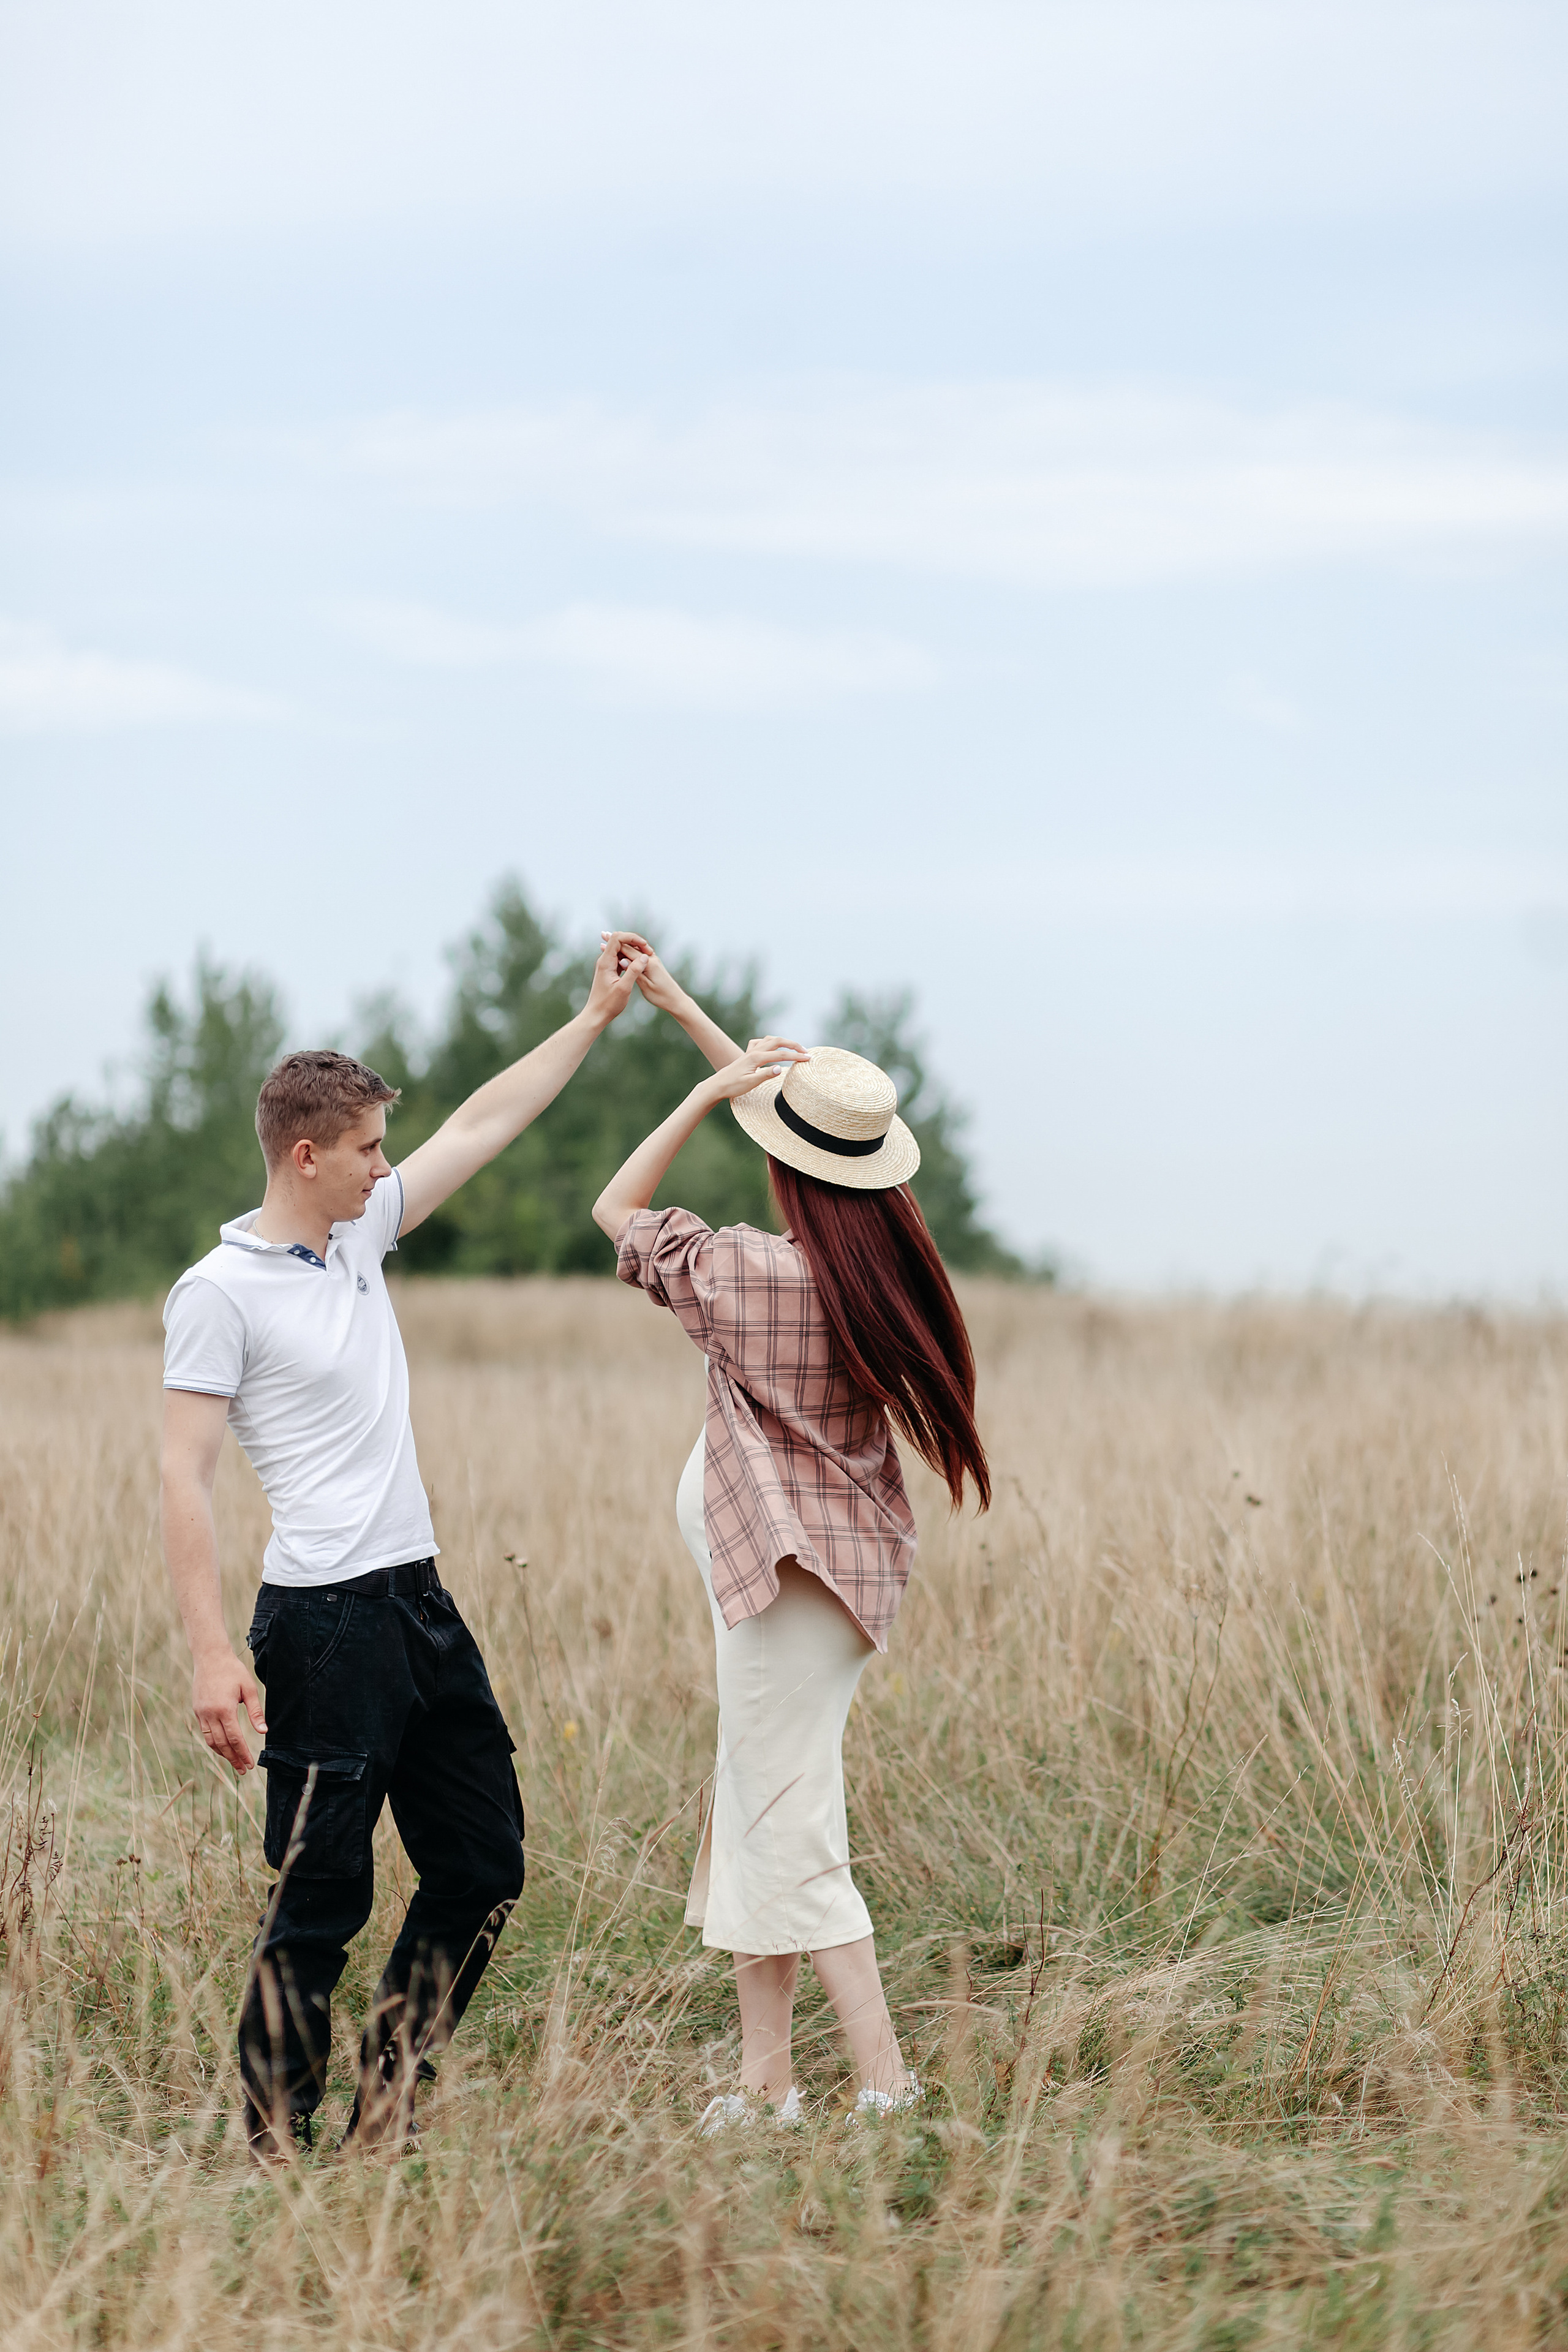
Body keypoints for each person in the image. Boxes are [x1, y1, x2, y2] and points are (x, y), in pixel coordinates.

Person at [160, 931, 651, 2157]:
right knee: (321, 1901)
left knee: (484, 1865)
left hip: (418, 1608)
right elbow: (182, 1472)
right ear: (307, 1154)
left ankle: (390, 2099)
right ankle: (278, 2147)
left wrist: (590, 1020)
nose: (389, 1167)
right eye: (370, 1148)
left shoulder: (361, 1235)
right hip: (319, 1625)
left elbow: (485, 1124)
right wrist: (213, 1654)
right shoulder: (219, 1292)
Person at [592, 955, 990, 2129]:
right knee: (755, 1813)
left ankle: (884, 2086)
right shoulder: (878, 1268)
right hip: (821, 1587)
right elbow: (798, 1141)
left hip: (781, 1590)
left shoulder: (751, 1275)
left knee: (791, 1832)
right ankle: (768, 2088)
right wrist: (687, 1017)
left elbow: (617, 1212)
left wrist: (695, 1099)